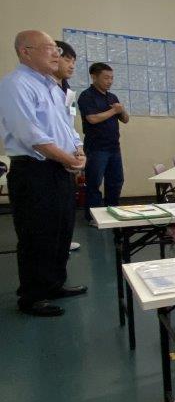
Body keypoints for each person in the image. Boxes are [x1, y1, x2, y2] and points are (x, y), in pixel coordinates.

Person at [0, 30, 87, 316]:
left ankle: (54, 285)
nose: (56, 54)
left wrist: (78, 151)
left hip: (59, 169)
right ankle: (32, 296)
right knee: (37, 234)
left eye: (57, 50)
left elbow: (66, 128)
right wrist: (68, 159)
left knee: (61, 230)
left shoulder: (51, 86)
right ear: (26, 52)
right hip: (34, 171)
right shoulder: (16, 85)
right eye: (50, 49)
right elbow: (30, 135)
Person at [77, 62, 128, 221]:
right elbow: (92, 119)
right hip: (96, 148)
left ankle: (112, 213)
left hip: (114, 147)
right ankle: (93, 217)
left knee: (116, 181)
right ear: (94, 77)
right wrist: (114, 110)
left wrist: (122, 109)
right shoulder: (87, 96)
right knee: (94, 184)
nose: (110, 81)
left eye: (112, 78)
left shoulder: (112, 97)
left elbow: (125, 119)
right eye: (106, 77)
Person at [53, 41, 81, 252]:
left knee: (65, 210)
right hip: (48, 160)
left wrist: (79, 149)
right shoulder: (42, 87)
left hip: (68, 160)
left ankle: (63, 243)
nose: (71, 65)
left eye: (73, 61)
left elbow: (69, 125)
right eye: (67, 59)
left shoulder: (68, 91)